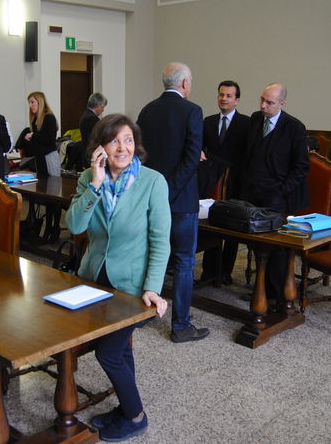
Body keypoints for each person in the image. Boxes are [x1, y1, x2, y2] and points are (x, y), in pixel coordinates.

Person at [66, 114, 169, 442]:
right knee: (120, 349)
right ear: (100, 147)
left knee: (108, 353)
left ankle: (135, 416)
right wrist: (95, 184)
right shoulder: (89, 177)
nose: (122, 148)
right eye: (114, 141)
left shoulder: (153, 182)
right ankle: (127, 407)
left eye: (128, 140)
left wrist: (152, 288)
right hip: (93, 280)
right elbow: (75, 226)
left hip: (131, 288)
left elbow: (160, 241)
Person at [137, 62, 209, 343]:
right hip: (181, 201)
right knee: (183, 262)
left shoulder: (147, 110)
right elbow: (192, 158)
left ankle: (143, 314)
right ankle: (181, 325)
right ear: (185, 83)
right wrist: (169, 191)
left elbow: (140, 156)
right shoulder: (192, 111)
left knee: (149, 256)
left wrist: (156, 193)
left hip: (150, 198)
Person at [240, 83, 309, 307]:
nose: (263, 105)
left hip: (279, 196)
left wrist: (281, 191)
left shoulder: (294, 127)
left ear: (282, 104)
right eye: (262, 100)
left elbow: (301, 166)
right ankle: (263, 290)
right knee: (257, 245)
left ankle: (280, 298)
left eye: (269, 102)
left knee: (277, 249)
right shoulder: (255, 119)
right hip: (254, 192)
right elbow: (249, 154)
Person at [198, 81, 250, 286]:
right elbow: (201, 146)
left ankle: (225, 271)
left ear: (236, 100)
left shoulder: (246, 123)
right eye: (221, 95)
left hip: (235, 183)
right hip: (212, 182)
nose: (224, 99)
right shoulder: (208, 121)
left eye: (228, 96)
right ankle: (209, 271)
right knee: (210, 224)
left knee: (231, 229)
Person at [21, 91, 59, 176]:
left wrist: (33, 135)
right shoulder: (35, 119)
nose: (30, 105)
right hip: (39, 158)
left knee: (52, 183)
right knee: (41, 183)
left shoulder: (49, 118)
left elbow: (50, 140)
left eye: (32, 102)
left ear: (40, 102)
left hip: (49, 157)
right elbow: (38, 140)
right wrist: (29, 139)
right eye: (29, 103)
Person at [67, 92, 107, 171]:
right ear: (98, 105)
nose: (103, 110)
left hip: (86, 153)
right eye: (102, 107)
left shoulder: (86, 114)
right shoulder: (92, 118)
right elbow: (98, 138)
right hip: (91, 155)